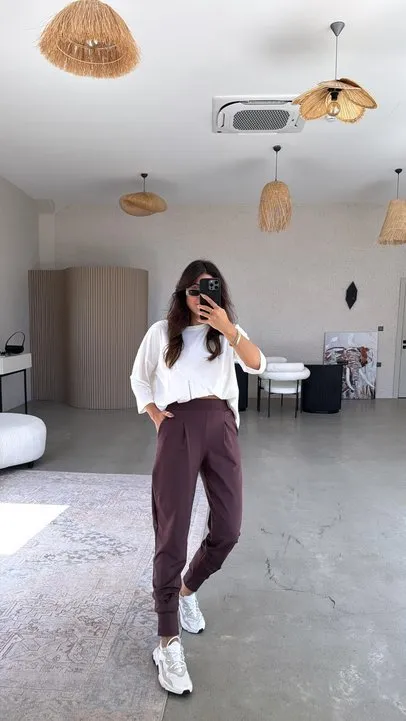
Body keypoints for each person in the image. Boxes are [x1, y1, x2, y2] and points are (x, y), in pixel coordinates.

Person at [130, 259, 266, 695]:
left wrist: (228, 328)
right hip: (178, 427)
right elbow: (139, 379)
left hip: (221, 424)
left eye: (209, 288)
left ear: (219, 292)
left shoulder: (225, 333)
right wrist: (156, 416)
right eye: (193, 289)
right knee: (171, 529)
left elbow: (257, 364)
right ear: (181, 294)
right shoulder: (160, 333)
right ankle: (167, 639)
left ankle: (187, 589)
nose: (200, 297)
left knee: (229, 527)